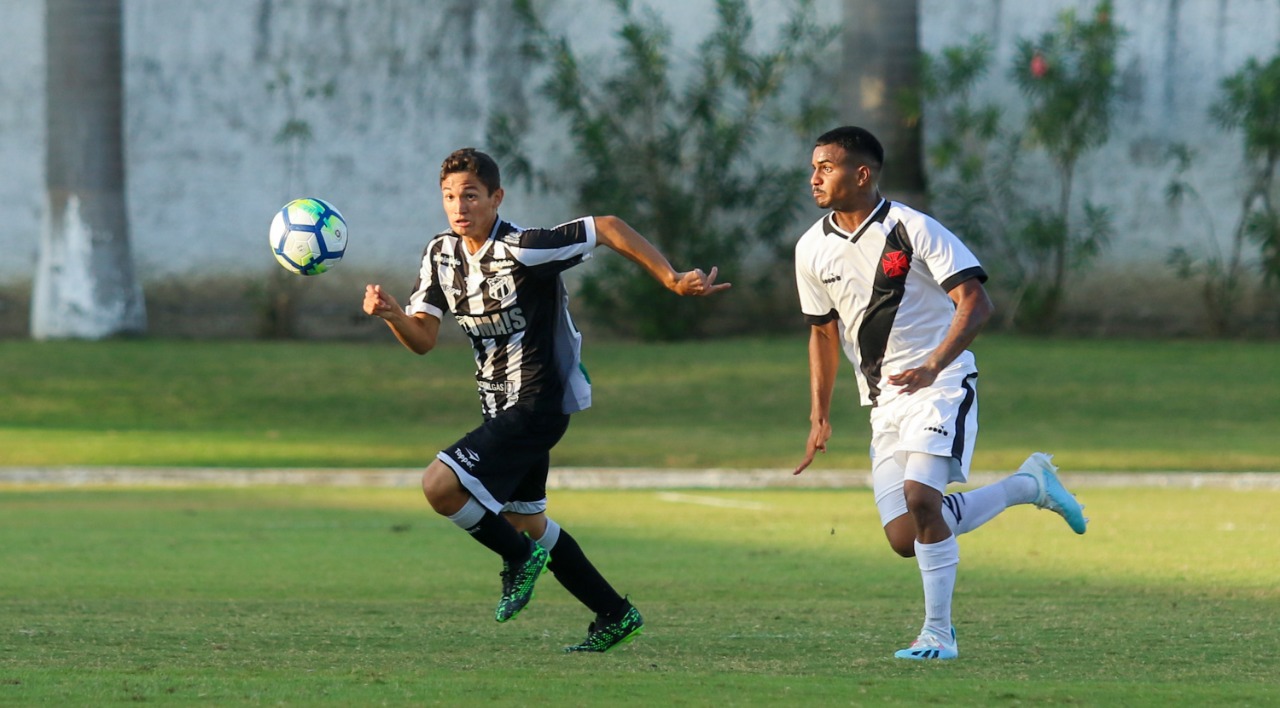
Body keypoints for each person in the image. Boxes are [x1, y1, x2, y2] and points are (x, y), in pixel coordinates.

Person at [363, 147, 729, 653]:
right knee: (527, 524)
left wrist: (670, 278)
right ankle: (614, 612)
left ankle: (518, 559)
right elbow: (423, 338)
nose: (459, 207)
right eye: (449, 196)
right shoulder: (440, 254)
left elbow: (607, 226)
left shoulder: (524, 248)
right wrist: (392, 315)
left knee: (439, 486)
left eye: (471, 195)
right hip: (498, 407)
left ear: (496, 197)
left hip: (536, 403)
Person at [792, 126, 1087, 661]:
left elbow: (976, 302)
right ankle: (1028, 485)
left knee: (923, 500)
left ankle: (938, 634)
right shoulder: (811, 248)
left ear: (861, 174)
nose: (814, 177)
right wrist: (819, 414)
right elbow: (822, 333)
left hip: (942, 385)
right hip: (884, 403)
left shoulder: (914, 228)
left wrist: (933, 365)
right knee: (905, 536)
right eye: (814, 167)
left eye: (826, 167)